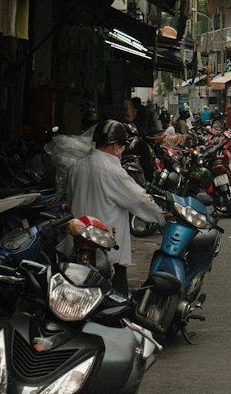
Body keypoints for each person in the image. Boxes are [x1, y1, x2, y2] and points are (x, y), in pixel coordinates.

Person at [68, 121, 166, 295]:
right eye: (122, 146)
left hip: (79, 245)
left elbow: (70, 197)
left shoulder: (77, 166)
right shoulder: (113, 171)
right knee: (118, 295)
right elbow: (140, 200)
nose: (122, 151)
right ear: (115, 146)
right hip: (107, 247)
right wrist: (162, 215)